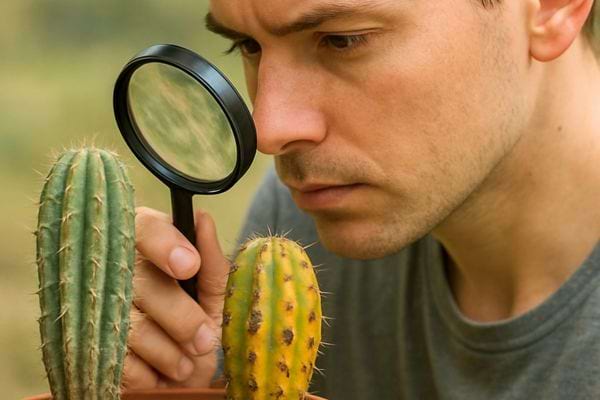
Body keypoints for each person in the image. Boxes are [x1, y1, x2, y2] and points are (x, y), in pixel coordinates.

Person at [122, 0, 600, 398]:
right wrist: (191, 383)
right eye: (248, 46)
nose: (270, 131)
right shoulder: (305, 223)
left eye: (342, 39)